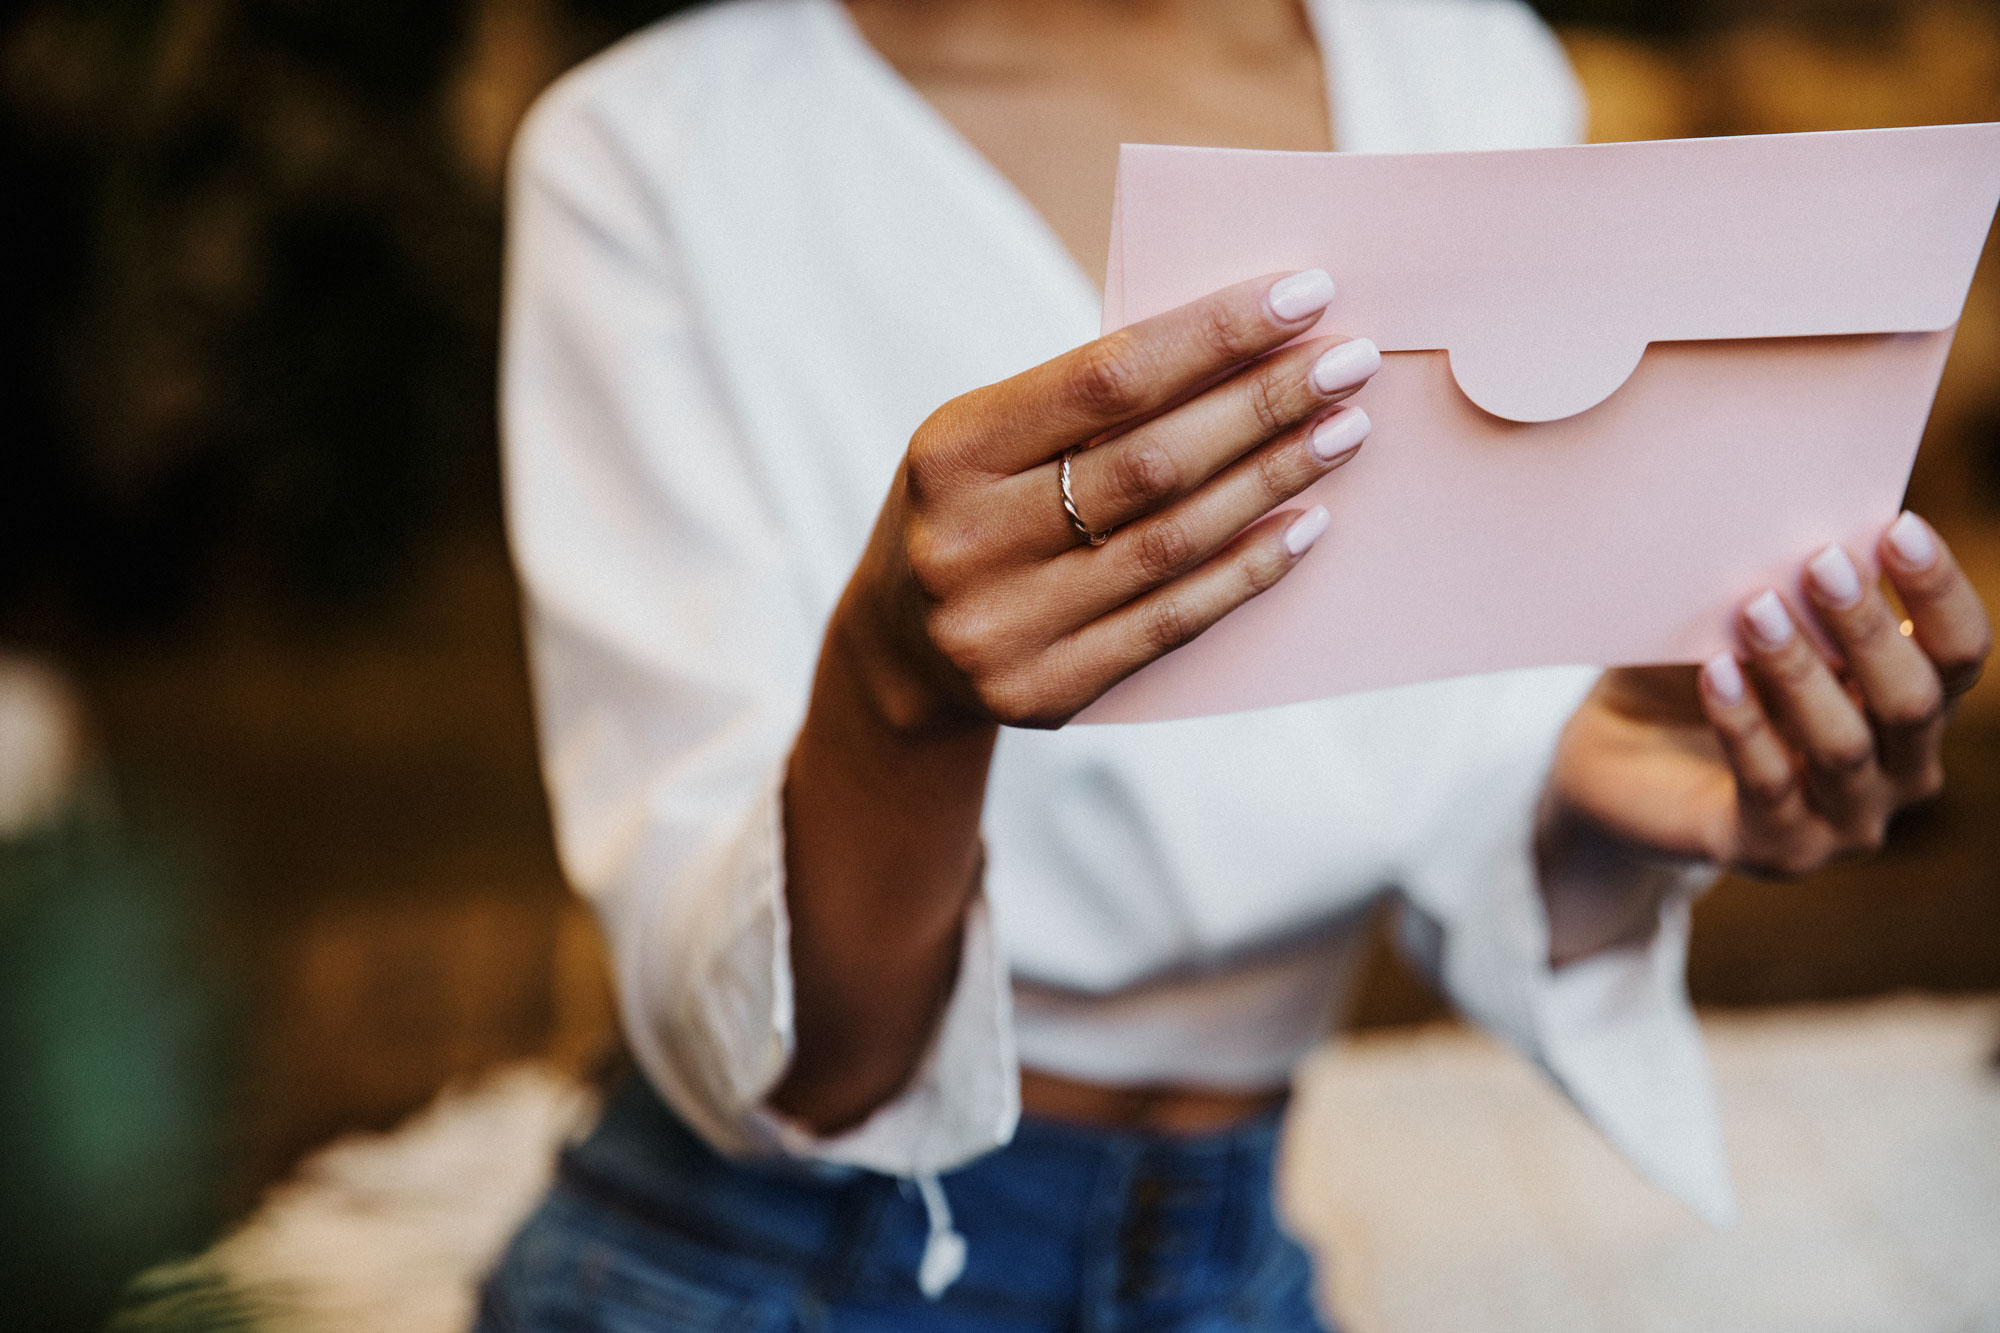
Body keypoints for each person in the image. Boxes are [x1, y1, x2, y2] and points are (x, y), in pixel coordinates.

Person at [478, 0, 1994, 1328]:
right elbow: (786, 1065)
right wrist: (898, 693)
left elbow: (1449, 758)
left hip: (1233, 1253)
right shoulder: (649, 150)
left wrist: (1600, 783)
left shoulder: (1466, 65)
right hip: (759, 1264)